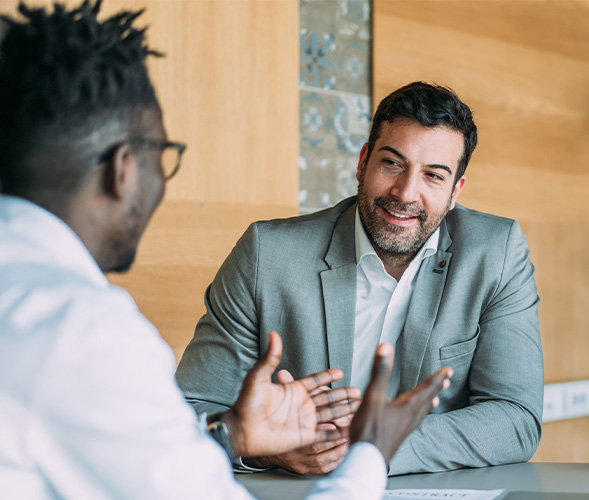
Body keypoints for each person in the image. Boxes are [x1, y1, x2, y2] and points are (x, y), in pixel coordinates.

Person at [0, 2, 450, 497]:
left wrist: (232, 435)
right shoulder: (83, 333)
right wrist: (371, 451)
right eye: (164, 156)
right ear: (123, 168)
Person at [175, 81, 544, 475]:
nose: (405, 193)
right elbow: (190, 409)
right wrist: (265, 448)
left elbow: (515, 418)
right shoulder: (267, 254)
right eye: (392, 163)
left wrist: (368, 448)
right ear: (363, 161)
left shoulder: (496, 253)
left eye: (433, 176)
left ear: (456, 191)